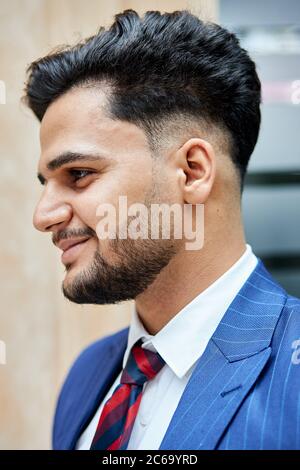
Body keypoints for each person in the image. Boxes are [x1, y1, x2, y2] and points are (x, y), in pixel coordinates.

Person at [24, 9, 300, 450]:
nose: (43, 216)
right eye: (46, 184)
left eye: (78, 174)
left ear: (192, 172)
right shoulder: (87, 375)